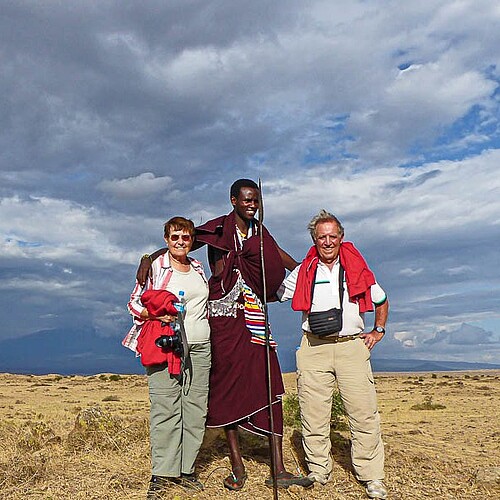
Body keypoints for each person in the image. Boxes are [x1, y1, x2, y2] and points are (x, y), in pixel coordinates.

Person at [136, 179, 313, 490]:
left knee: (270, 383)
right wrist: (147, 259)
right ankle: (236, 467)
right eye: (246, 199)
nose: (251, 204)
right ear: (233, 200)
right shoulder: (218, 229)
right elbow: (186, 241)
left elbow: (277, 255)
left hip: (255, 315)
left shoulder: (260, 233)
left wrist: (302, 268)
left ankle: (279, 468)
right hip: (222, 320)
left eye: (255, 200)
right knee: (225, 390)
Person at [277, 209, 389, 499]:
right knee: (313, 413)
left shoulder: (356, 268)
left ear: (342, 238)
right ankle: (318, 469)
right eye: (321, 237)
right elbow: (277, 292)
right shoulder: (304, 270)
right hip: (313, 346)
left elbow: (381, 299)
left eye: (332, 236)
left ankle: (371, 476)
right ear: (314, 240)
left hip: (352, 345)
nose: (327, 242)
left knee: (363, 413)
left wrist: (378, 330)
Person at [123, 217, 211, 499]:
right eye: (175, 237)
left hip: (199, 345)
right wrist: (155, 314)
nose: (180, 242)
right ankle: (162, 473)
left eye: (186, 238)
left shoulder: (198, 267)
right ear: (166, 239)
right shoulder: (156, 269)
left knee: (195, 409)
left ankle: (186, 470)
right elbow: (134, 303)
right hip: (167, 344)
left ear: (192, 240)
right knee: (166, 407)